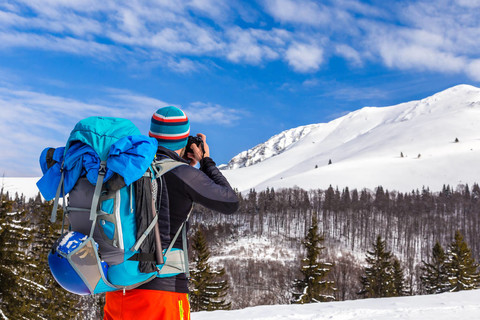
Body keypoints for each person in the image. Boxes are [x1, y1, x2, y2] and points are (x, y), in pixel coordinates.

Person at [103, 106, 239, 320]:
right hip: (162, 291)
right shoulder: (182, 174)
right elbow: (230, 202)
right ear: (185, 141)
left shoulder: (127, 169)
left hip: (118, 289)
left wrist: (183, 163)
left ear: (151, 135)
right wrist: (205, 160)